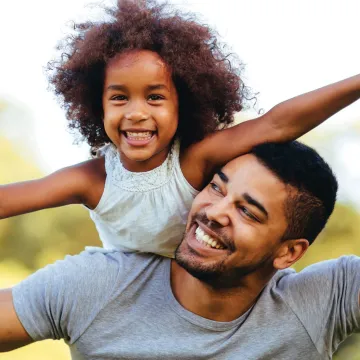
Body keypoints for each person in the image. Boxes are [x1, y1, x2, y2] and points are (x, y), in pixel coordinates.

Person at [1, 0, 360, 257]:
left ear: (183, 105)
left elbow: (278, 122)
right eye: (119, 98)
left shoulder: (193, 161)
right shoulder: (92, 179)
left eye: (155, 98)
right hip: (131, 298)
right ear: (98, 107)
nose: (136, 113)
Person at [1, 141, 358, 359]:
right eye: (217, 189)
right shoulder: (97, 284)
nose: (215, 212)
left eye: (247, 211)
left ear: (289, 252)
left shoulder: (323, 301)